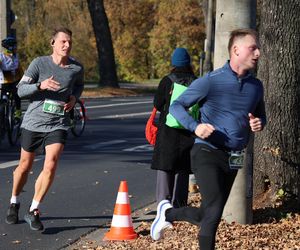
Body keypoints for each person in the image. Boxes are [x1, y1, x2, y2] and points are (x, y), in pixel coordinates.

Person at [150, 28, 266, 250]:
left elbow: (261, 115)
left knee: (209, 213)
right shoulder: (211, 81)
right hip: (207, 152)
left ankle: (169, 213)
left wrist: (259, 123)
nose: (258, 52)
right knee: (212, 214)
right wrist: (196, 127)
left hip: (234, 157)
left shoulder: (256, 86)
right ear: (236, 49)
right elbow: (176, 106)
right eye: (253, 47)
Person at [5, 27, 84, 231]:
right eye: (63, 42)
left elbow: (78, 85)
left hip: (58, 122)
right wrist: (40, 86)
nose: (67, 45)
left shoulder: (76, 68)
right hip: (34, 122)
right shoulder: (39, 63)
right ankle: (14, 202)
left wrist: (75, 98)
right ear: (53, 43)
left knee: (51, 164)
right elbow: (20, 91)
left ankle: (34, 209)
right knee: (24, 166)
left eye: (69, 42)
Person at [151, 48, 196, 208]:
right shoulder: (196, 81)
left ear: (174, 63)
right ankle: (180, 205)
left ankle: (163, 204)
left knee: (165, 166)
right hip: (188, 129)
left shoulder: (167, 80)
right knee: (183, 168)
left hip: (168, 131)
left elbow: (157, 104)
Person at [0, 36, 23, 119]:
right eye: (14, 46)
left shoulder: (15, 56)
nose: (16, 47)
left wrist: (24, 79)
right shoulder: (2, 56)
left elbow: (19, 68)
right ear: (9, 47)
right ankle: (3, 118)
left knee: (17, 95)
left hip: (15, 81)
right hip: (4, 82)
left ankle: (18, 113)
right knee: (3, 100)